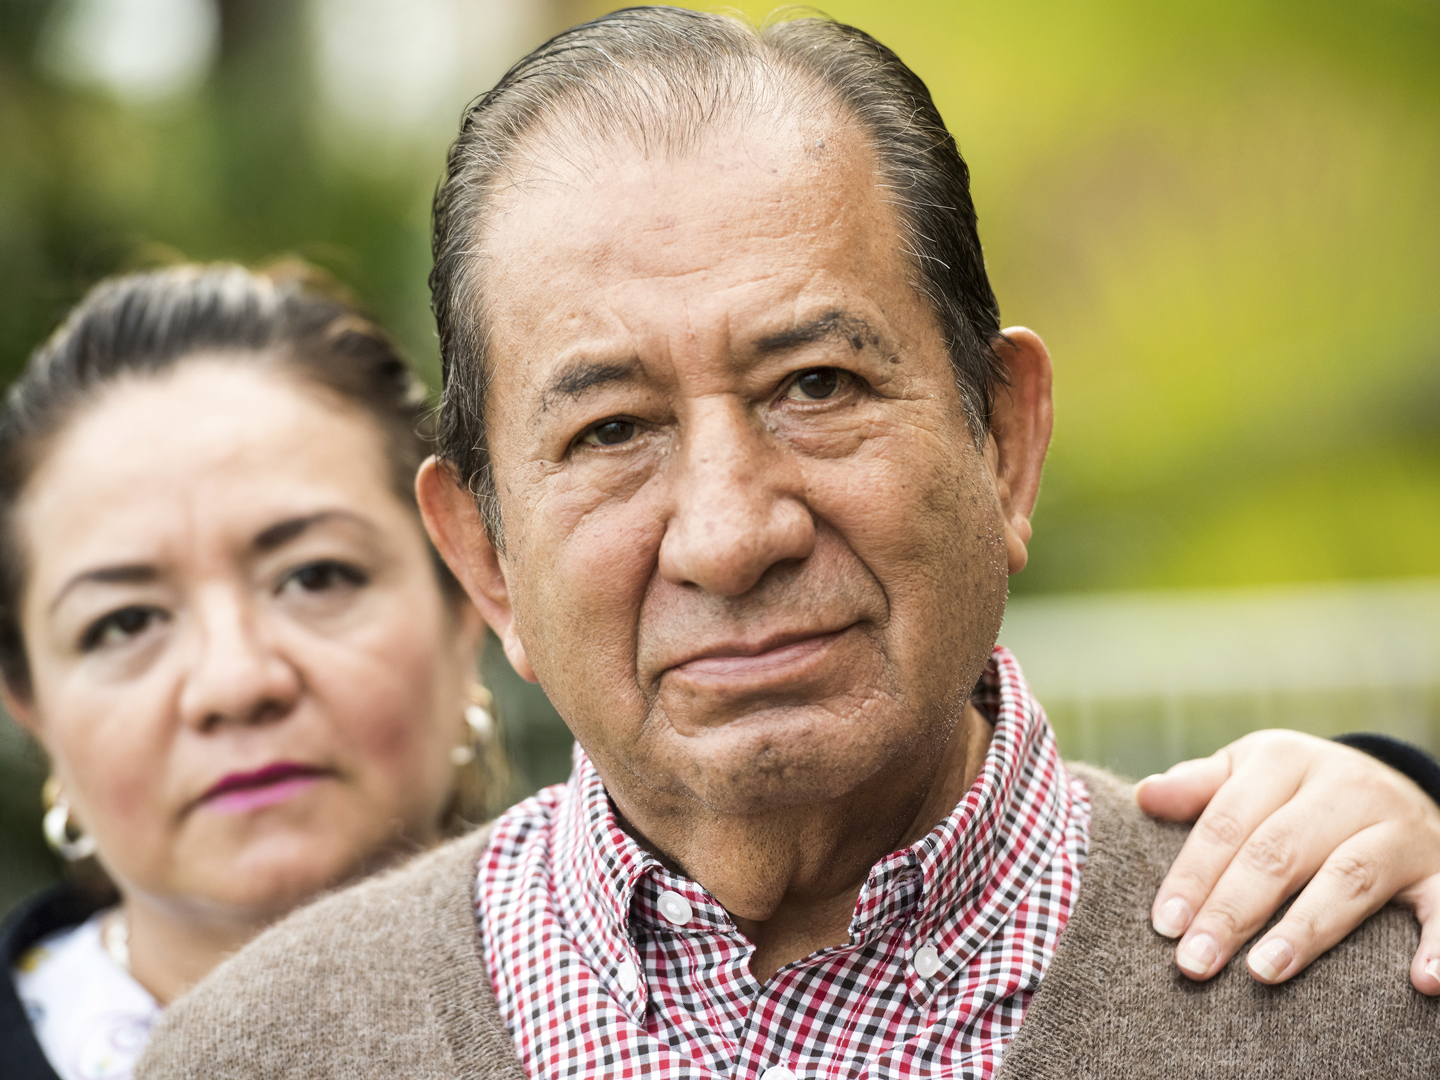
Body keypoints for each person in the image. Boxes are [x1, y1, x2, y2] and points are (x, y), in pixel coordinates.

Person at [138, 9, 1440, 1078]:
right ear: (483, 558)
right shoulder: (255, 1058)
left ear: (1001, 441)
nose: (729, 533)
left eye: (814, 385)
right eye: (609, 432)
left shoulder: (1374, 1012)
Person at [0, 263, 503, 1080]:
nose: (236, 683)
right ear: (32, 706)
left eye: (316, 577)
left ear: (470, 596)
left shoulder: (693, 1009)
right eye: (124, 623)